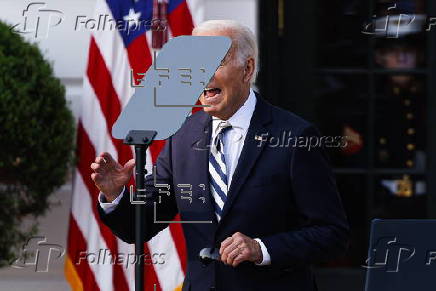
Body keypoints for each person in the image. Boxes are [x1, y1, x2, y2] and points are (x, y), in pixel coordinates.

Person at [91, 20, 349, 291]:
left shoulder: (295, 136)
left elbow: (332, 234)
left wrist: (262, 249)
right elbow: (140, 226)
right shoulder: (182, 136)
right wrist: (115, 196)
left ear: (247, 69)